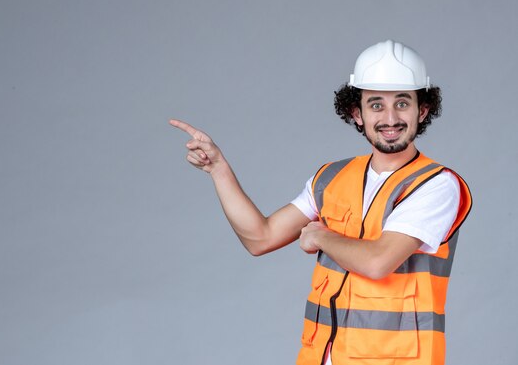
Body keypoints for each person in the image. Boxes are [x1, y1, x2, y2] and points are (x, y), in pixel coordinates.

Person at [170, 39, 472, 365]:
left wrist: (320, 235)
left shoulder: (436, 184)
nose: (389, 117)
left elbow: (378, 261)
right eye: (375, 105)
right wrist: (218, 170)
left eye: (402, 103)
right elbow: (260, 237)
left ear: (421, 110)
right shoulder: (331, 178)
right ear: (356, 113)